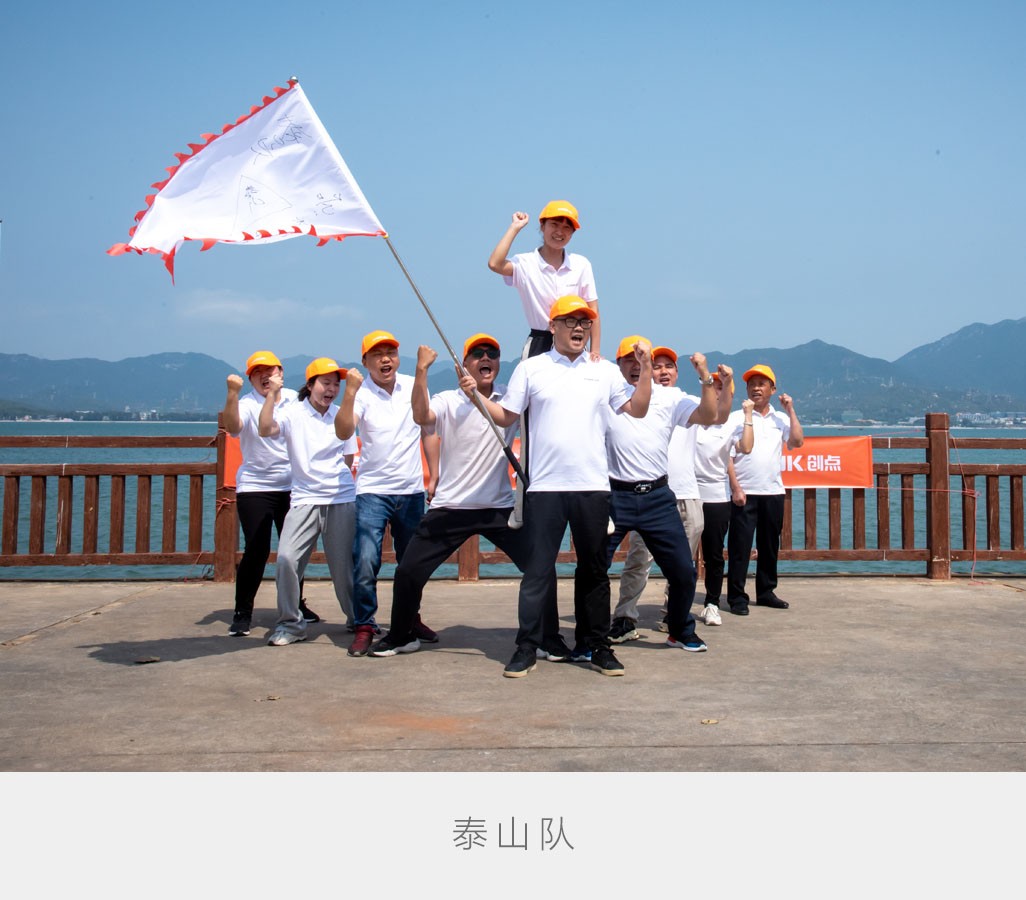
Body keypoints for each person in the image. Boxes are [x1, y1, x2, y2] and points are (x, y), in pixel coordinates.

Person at [465, 296, 652, 678]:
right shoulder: (531, 368)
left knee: (594, 571)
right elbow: (507, 416)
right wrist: (476, 396)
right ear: (552, 327)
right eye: (570, 321)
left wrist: (646, 369)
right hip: (544, 489)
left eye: (584, 322)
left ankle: (596, 645)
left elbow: (638, 409)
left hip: (592, 487)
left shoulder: (604, 372)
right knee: (537, 571)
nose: (579, 328)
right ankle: (527, 646)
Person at [369, 334, 566, 659]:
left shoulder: (509, 398)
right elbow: (421, 417)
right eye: (477, 354)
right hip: (452, 506)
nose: (486, 358)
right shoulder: (448, 400)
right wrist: (421, 370)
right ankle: (401, 635)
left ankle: (549, 637)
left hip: (500, 507)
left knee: (541, 566)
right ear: (463, 365)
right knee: (408, 571)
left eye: (492, 353)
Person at [604, 336, 723, 653]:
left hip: (658, 496)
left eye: (641, 359)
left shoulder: (671, 397)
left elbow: (709, 416)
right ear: (617, 365)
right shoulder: (606, 394)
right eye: (629, 359)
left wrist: (705, 376)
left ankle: (680, 629)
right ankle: (596, 633)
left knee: (683, 571)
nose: (636, 365)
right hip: (615, 496)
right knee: (595, 567)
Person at [334, 330, 437, 657]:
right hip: (372, 491)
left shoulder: (413, 384)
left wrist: (434, 474)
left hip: (411, 490)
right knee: (366, 560)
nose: (385, 359)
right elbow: (343, 431)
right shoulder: (360, 392)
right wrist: (349, 393)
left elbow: (428, 428)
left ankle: (410, 619)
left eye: (390, 352)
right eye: (377, 354)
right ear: (365, 361)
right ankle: (365, 625)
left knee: (412, 564)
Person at [258, 358, 359, 646]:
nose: (332, 390)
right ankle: (290, 625)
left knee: (345, 569)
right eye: (325, 383)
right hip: (304, 498)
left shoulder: (341, 414)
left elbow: (349, 455)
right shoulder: (292, 413)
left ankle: (358, 619)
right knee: (287, 559)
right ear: (310, 385)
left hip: (341, 498)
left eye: (336, 384)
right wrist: (271, 395)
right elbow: (264, 429)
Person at [221, 350, 319, 636]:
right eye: (257, 372)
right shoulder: (246, 403)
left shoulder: (295, 399)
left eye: (270, 370)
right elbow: (232, 427)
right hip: (256, 486)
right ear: (250, 378)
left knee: (294, 551)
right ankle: (243, 611)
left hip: (294, 485)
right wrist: (231, 393)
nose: (264, 376)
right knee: (257, 548)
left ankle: (296, 604)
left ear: (281, 373)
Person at [726, 364, 805, 615]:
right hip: (744, 492)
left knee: (769, 546)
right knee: (739, 547)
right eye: (751, 384)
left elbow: (797, 441)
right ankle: (737, 597)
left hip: (773, 491)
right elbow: (727, 456)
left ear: (773, 389)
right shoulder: (735, 417)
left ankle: (766, 592)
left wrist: (790, 410)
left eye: (762, 384)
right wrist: (735, 487)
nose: (756, 388)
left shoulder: (780, 419)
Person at [487, 200, 601, 360]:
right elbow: (495, 263)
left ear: (572, 233)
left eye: (567, 228)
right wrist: (515, 227)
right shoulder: (526, 263)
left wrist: (595, 350)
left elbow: (593, 310)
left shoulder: (581, 264)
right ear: (542, 226)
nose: (560, 232)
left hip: (574, 341)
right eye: (554, 224)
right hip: (539, 342)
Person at [694, 372, 739, 625]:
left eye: (720, 387)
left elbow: (744, 448)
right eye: (712, 386)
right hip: (689, 493)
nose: (715, 391)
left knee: (713, 554)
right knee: (681, 553)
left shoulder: (733, 423)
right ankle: (675, 599)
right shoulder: (692, 417)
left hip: (717, 496)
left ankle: (712, 603)